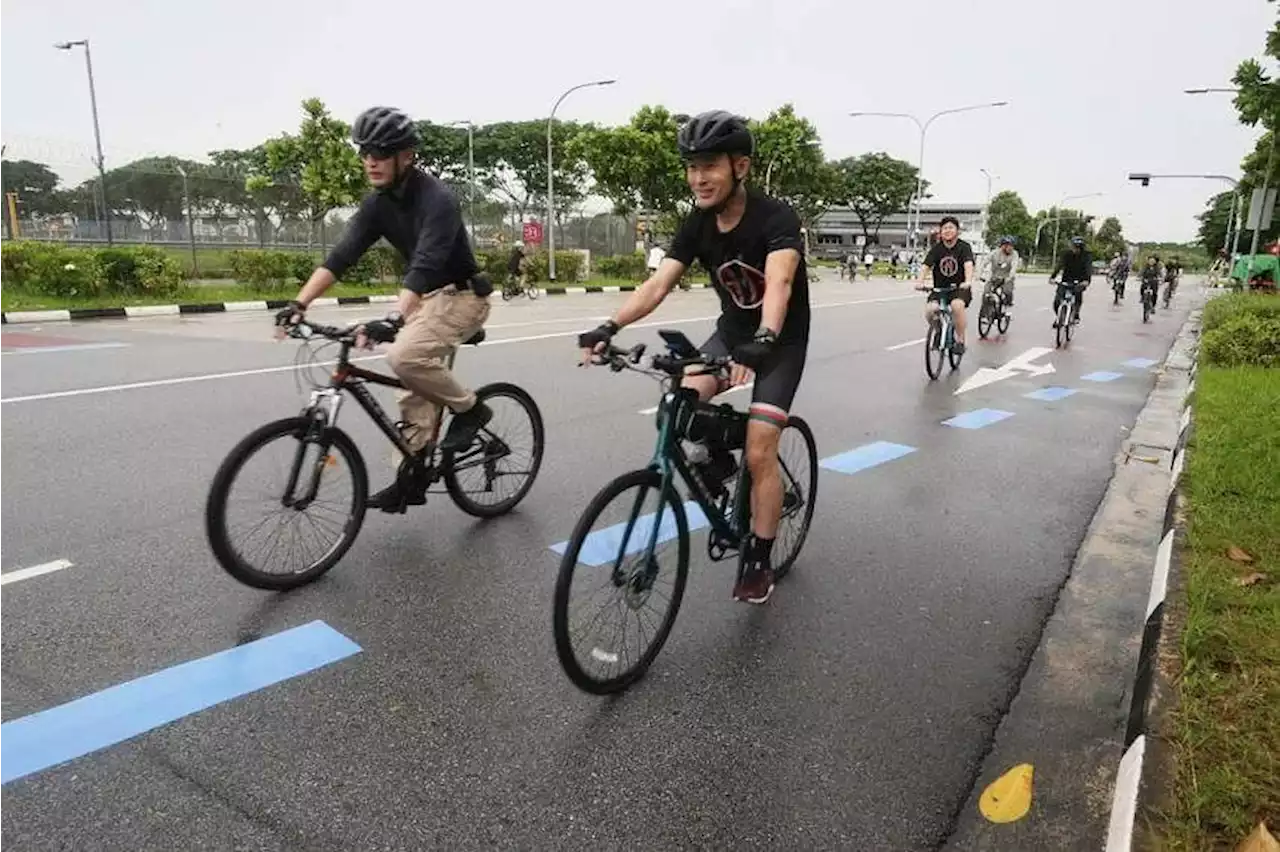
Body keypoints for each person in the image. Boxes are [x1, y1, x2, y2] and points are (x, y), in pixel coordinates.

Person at [577, 110, 810, 605]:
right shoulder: (698, 223)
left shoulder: (776, 218)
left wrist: (766, 337)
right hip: (731, 335)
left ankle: (758, 558)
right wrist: (609, 326)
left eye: (709, 165)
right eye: (691, 166)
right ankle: (721, 462)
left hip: (780, 342)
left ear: (740, 166)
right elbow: (659, 283)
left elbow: (781, 282)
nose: (698, 178)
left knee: (761, 448)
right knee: (676, 405)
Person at [276, 105, 493, 512]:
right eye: (364, 151)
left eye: (380, 151)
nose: (370, 160)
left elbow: (426, 262)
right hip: (428, 300)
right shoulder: (378, 204)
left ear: (406, 155)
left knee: (404, 355)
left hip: (464, 297)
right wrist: (298, 303)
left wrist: (394, 318)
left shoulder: (438, 200)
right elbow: (341, 256)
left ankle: (472, 409)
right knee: (414, 393)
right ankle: (409, 478)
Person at [916, 216, 975, 354]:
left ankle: (960, 340)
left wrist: (968, 281)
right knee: (931, 310)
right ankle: (938, 331)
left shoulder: (964, 247)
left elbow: (968, 265)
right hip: (939, 288)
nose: (947, 231)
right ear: (940, 232)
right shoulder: (937, 249)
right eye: (944, 228)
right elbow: (926, 266)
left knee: (956, 306)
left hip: (959, 288)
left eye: (951, 228)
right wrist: (920, 281)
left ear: (957, 231)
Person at [1050, 236, 1093, 326]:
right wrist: (1053, 277)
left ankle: (1076, 314)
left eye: (1078, 248)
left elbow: (1088, 268)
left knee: (1077, 295)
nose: (1075, 249)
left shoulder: (1087, 255)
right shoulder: (1066, 254)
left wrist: (1087, 280)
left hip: (1080, 280)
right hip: (1067, 279)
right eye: (1074, 247)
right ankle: (1060, 316)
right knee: (1057, 301)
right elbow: (1060, 265)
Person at [980, 236, 1019, 311]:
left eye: (1012, 246)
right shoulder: (995, 253)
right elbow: (984, 263)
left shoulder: (1014, 254)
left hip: (1007, 278)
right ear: (1003, 246)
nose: (1010, 248)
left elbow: (1014, 267)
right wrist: (979, 274)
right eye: (1008, 245)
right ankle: (985, 313)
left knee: (1007, 292)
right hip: (994, 277)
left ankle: (1007, 308)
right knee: (986, 293)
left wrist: (1010, 277)